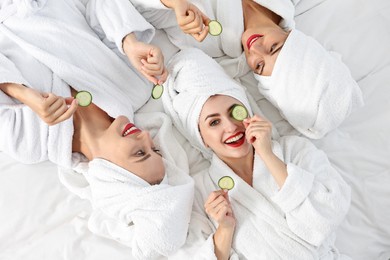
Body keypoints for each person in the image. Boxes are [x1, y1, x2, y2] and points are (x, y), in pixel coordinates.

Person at [0, 1, 193, 259]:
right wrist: (129, 41)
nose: (146, 136)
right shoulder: (133, 89)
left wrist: (21, 92)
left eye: (140, 153)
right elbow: (97, 4)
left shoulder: (31, 143)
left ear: (112, 175)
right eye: (154, 148)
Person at [162, 48, 351, 259]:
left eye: (235, 111)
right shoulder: (201, 194)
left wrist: (269, 156)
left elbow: (328, 215)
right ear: (201, 137)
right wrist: (224, 230)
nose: (232, 127)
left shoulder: (294, 150)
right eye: (214, 122)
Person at [128, 0, 364, 139]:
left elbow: (134, 5)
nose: (256, 49)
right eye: (274, 47)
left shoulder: (207, 37)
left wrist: (175, 3)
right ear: (293, 38)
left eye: (259, 66)